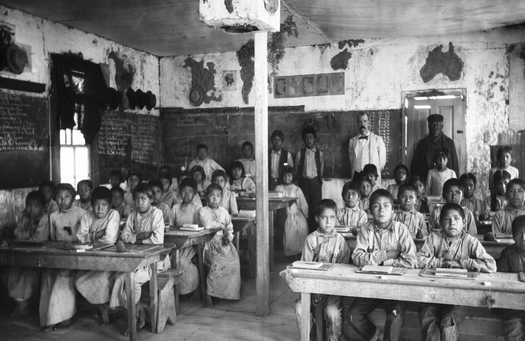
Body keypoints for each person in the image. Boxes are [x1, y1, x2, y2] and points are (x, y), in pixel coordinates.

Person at [417, 203, 496, 341]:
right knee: (429, 323)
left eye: (456, 219)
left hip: (460, 296)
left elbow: (490, 265)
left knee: (448, 322)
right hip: (433, 293)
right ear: (440, 222)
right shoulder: (433, 238)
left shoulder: (471, 241)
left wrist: (463, 262)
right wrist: (442, 263)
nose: (452, 223)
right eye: (447, 219)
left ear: (464, 222)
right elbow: (418, 260)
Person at [348, 189, 417, 341]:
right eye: (377, 206)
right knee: (353, 315)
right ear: (370, 210)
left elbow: (411, 261)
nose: (382, 210)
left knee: (395, 314)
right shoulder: (365, 230)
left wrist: (382, 262)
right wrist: (387, 254)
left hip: (396, 287)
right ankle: (374, 335)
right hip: (370, 287)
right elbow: (357, 258)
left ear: (393, 210)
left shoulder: (401, 230)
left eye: (386, 206)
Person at [110, 183, 170, 333]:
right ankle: (136, 310)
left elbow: (157, 240)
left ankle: (133, 319)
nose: (139, 202)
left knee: (133, 279)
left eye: (143, 199)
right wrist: (140, 236)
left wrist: (135, 239)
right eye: (136, 199)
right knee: (119, 278)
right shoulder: (133, 214)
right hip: (137, 258)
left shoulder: (157, 214)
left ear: (151, 200)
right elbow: (124, 236)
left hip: (156, 260)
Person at [295, 199, 351, 341]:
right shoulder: (311, 240)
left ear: (336, 218)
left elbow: (344, 269)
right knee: (300, 308)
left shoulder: (340, 241)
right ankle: (309, 336)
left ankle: (334, 338)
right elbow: (304, 268)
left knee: (332, 312)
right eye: (324, 218)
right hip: (312, 288)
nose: (328, 222)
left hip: (333, 289)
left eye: (332, 217)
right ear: (316, 218)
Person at [41, 183, 85, 332]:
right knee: (47, 275)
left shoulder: (80, 213)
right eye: (59, 197)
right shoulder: (53, 216)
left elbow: (85, 237)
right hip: (59, 255)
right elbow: (53, 239)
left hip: (78, 255)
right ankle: (48, 317)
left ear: (73, 198)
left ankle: (64, 317)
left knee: (63, 277)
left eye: (67, 197)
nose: (62, 200)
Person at [75, 187, 120, 325]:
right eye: (96, 205)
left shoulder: (114, 214)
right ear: (91, 205)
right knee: (79, 280)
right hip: (91, 259)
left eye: (104, 205)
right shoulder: (87, 216)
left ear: (110, 205)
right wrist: (96, 235)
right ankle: (104, 307)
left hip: (110, 258)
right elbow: (80, 236)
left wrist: (91, 238)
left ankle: (106, 310)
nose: (100, 209)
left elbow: (109, 239)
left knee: (101, 280)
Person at [1, 191, 49, 318]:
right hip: (23, 254)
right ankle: (22, 302)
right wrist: (29, 235)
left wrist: (25, 235)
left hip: (38, 256)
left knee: (28, 275)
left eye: (36, 206)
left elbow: (39, 238)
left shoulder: (44, 219)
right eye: (28, 205)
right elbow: (17, 232)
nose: (31, 209)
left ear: (42, 207)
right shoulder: (24, 216)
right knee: (11, 273)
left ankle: (25, 303)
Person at [199, 184, 241, 307]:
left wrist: (228, 237)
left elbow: (230, 227)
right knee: (217, 263)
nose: (215, 199)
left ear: (221, 197)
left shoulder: (224, 212)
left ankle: (227, 293)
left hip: (223, 243)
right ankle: (209, 294)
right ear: (207, 197)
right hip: (210, 244)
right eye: (212, 196)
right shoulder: (203, 211)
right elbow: (208, 224)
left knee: (233, 262)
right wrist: (221, 226)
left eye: (218, 196)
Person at [170, 178, 201, 296]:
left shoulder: (197, 208)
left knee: (180, 262)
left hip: (191, 244)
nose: (187, 194)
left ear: (194, 193)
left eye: (190, 191)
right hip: (176, 243)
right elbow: (171, 227)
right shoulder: (175, 208)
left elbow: (201, 230)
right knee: (168, 261)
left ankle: (187, 290)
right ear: (179, 192)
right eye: (184, 191)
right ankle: (174, 292)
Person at [496, 215, 525, 340]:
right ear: (513, 235)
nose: (524, 238)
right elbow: (502, 281)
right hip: (513, 306)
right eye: (519, 234)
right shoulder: (507, 253)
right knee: (514, 331)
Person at [411, 114, 459, 183]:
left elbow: (455, 164)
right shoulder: (422, 143)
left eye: (438, 124)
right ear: (429, 126)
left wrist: (455, 182)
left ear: (442, 126)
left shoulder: (449, 142)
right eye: (433, 124)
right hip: (424, 180)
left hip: (445, 182)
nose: (435, 127)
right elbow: (414, 165)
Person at [275, 166, 309, 258]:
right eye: (285, 176)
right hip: (282, 214)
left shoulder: (296, 189)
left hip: (295, 214)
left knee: (301, 227)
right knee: (288, 230)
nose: (287, 178)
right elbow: (274, 203)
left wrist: (305, 216)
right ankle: (289, 253)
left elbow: (303, 204)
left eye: (289, 176)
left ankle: (298, 253)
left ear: (293, 176)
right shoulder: (278, 188)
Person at [296, 126, 324, 232]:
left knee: (316, 207)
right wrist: (301, 181)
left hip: (316, 182)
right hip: (304, 183)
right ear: (303, 140)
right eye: (306, 138)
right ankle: (306, 231)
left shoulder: (319, 154)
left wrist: (318, 180)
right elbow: (297, 168)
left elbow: (321, 168)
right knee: (305, 207)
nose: (308, 140)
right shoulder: (300, 153)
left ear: (314, 139)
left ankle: (315, 231)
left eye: (310, 137)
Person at [348, 112, 386, 183]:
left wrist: (373, 172)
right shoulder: (352, 141)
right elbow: (351, 160)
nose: (362, 124)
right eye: (360, 122)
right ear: (357, 123)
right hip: (357, 176)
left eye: (365, 121)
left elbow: (382, 162)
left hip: (372, 177)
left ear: (368, 123)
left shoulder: (377, 139)